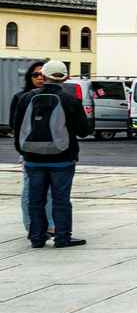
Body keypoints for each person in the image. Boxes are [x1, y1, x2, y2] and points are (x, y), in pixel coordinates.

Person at [12, 60, 93, 248]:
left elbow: (17, 128)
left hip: (32, 158)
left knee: (35, 198)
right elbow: (83, 131)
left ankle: (36, 237)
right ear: (65, 77)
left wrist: (23, 151)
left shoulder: (26, 98)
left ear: (44, 76)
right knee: (61, 199)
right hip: (62, 158)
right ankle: (62, 237)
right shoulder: (70, 100)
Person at [10, 61, 52, 238]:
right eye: (36, 75)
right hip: (30, 152)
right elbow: (15, 125)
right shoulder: (22, 97)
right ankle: (31, 226)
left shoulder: (53, 96)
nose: (40, 78)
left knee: (49, 190)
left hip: (53, 150)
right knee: (30, 189)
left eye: (43, 74)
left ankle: (49, 225)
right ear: (29, 77)